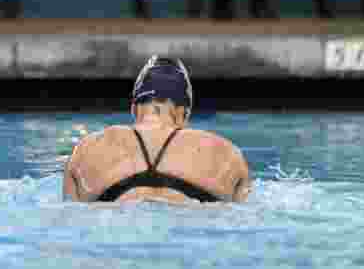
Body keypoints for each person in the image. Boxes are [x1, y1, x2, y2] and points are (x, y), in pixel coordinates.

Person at [62, 56, 251, 203]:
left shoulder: (85, 151)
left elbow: (68, 218)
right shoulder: (228, 154)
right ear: (182, 113)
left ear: (134, 109)